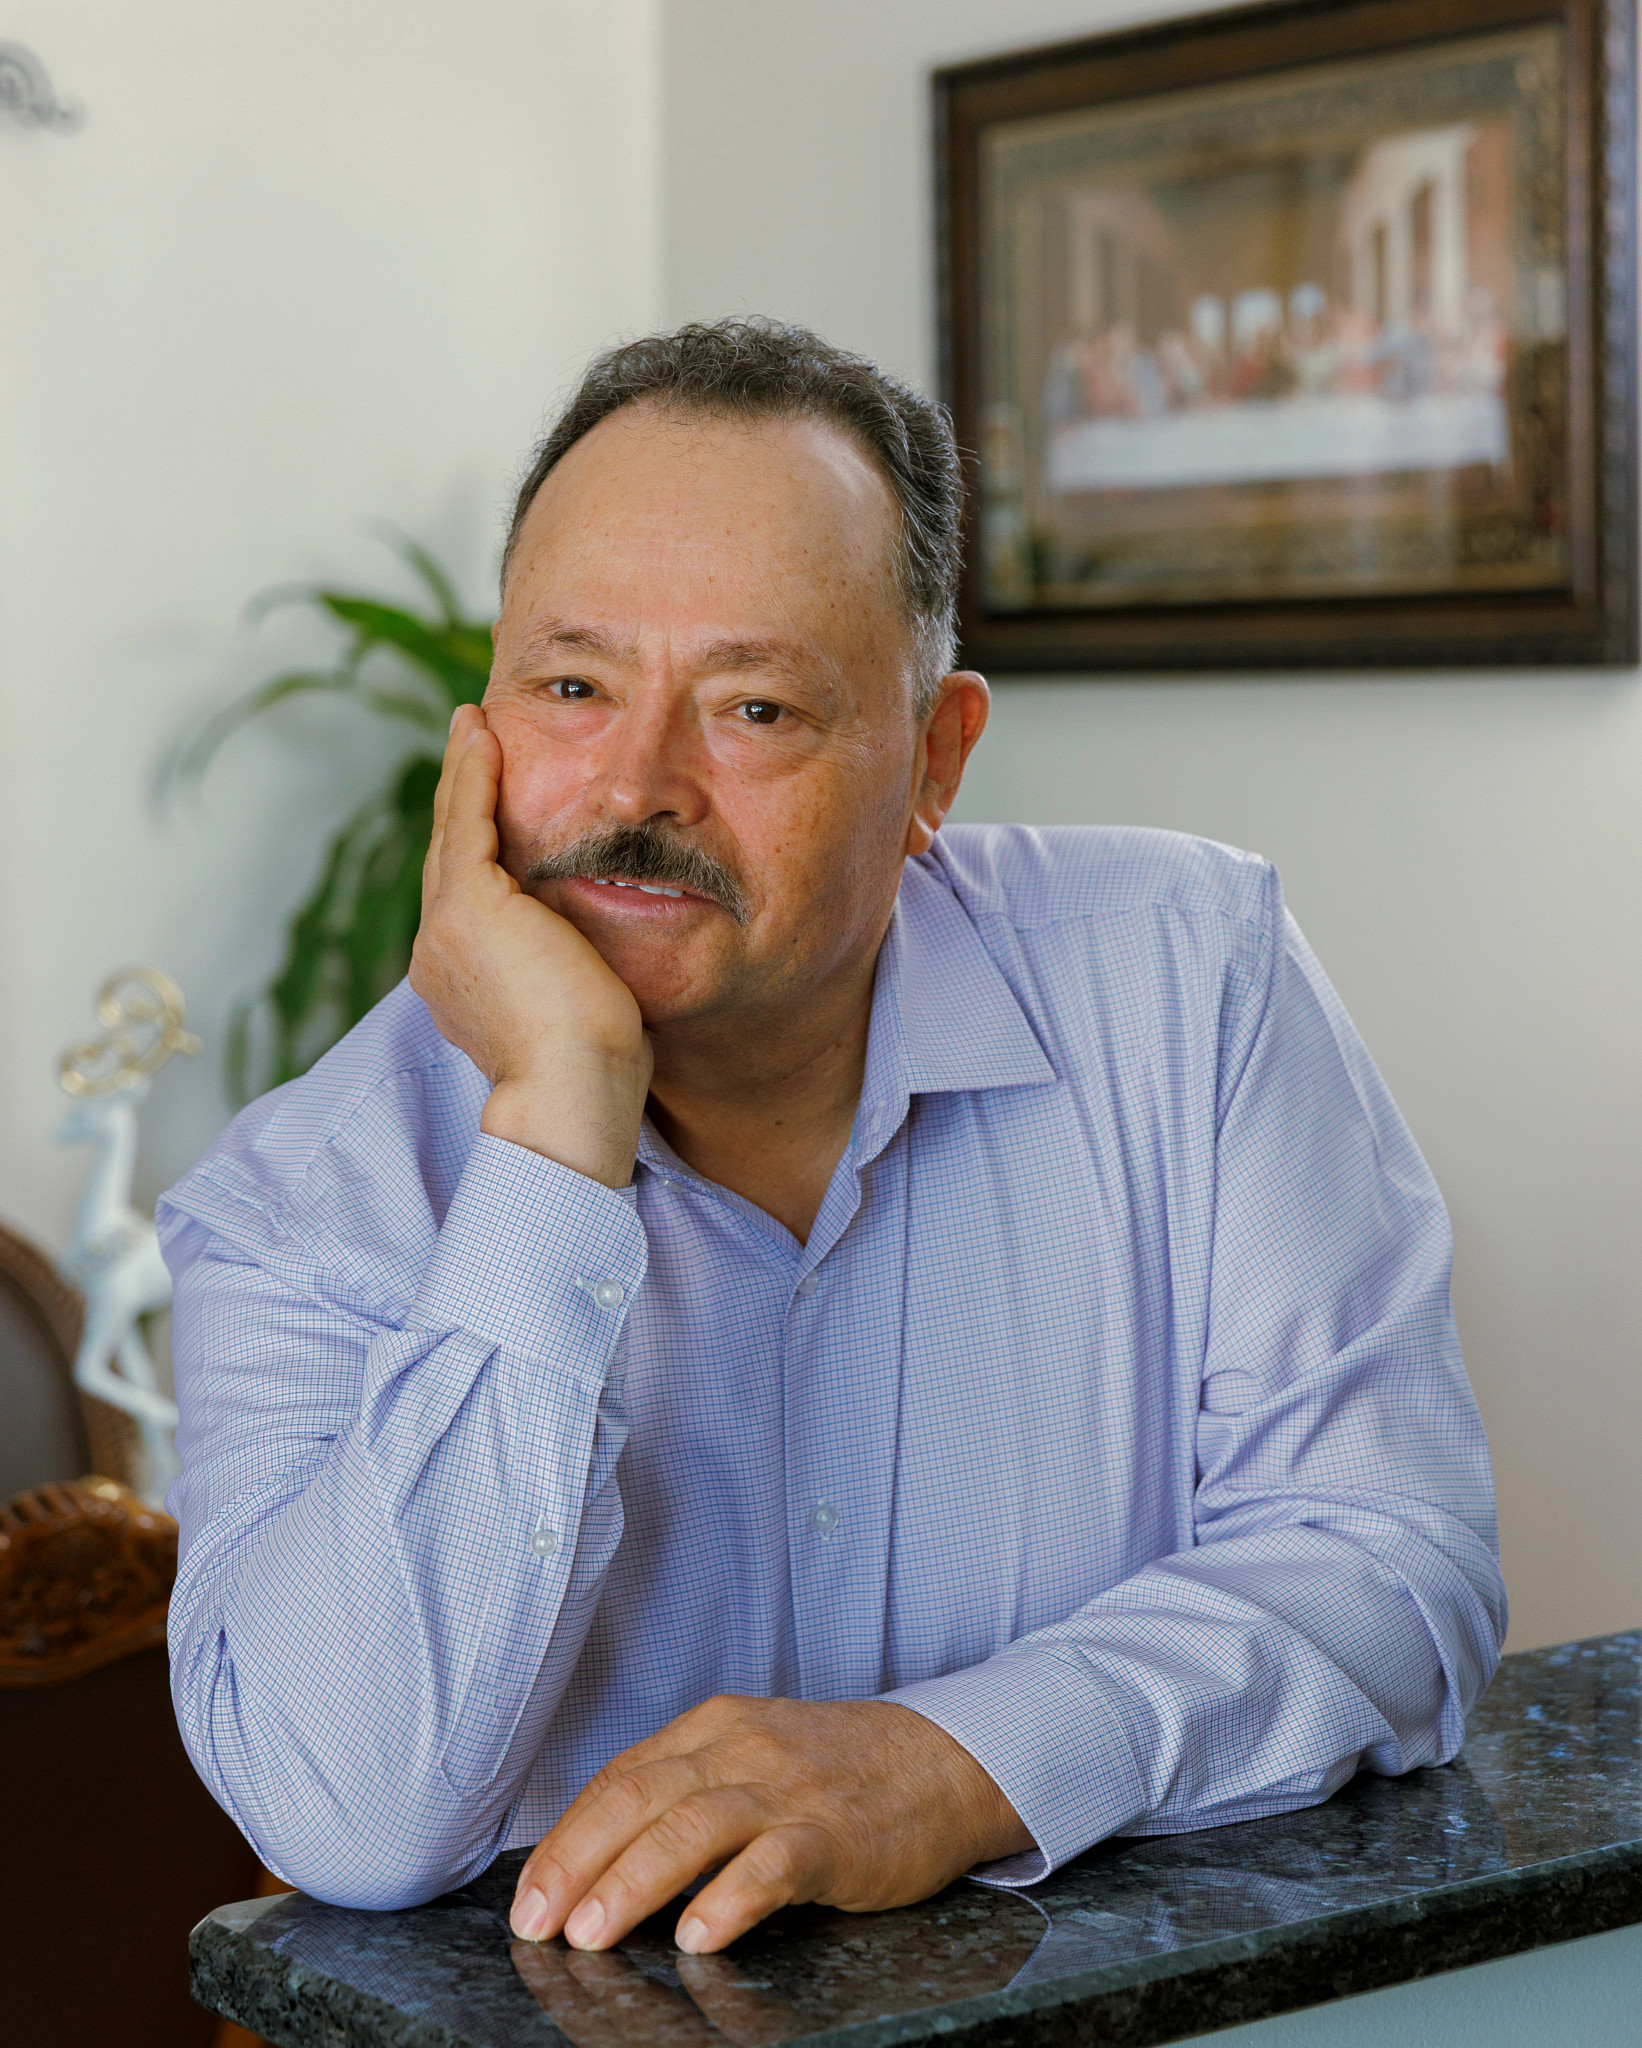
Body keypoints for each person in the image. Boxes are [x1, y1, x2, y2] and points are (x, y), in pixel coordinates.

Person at [160, 319, 1505, 1961]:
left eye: (754, 707)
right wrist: (555, 1132)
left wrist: (950, 1764)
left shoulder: (1188, 974)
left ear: (934, 759)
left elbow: (1392, 1563)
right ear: (480, 728)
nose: (636, 788)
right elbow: (342, 1815)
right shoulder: (299, 1201)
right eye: (571, 688)